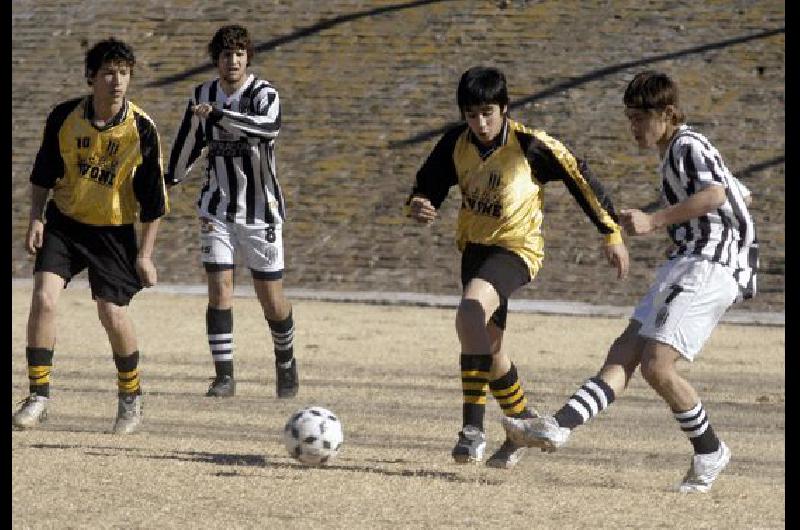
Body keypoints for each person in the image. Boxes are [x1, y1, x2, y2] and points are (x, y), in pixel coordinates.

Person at [502, 71, 758, 493]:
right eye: (630, 117)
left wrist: (655, 219)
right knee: (625, 351)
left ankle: (711, 450)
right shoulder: (680, 149)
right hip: (686, 261)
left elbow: (714, 195)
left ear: (669, 114)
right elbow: (738, 194)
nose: (634, 127)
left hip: (709, 264)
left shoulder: (686, 145)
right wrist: (657, 212)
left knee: (657, 365)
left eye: (641, 117)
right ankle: (559, 427)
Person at [406, 66, 629, 468]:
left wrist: (610, 232)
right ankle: (522, 423)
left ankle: (472, 429)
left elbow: (581, 177)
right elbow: (427, 185)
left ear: (505, 108)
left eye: (488, 113)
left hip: (516, 249)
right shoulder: (455, 144)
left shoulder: (531, 145)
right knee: (489, 350)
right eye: (472, 115)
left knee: (469, 311)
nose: (481, 123)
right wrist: (420, 204)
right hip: (474, 250)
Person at [12, 38, 169, 434]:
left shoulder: (142, 129)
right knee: (44, 298)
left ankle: (130, 399)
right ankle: (38, 396)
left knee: (111, 313)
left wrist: (145, 255)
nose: (118, 81)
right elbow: (42, 175)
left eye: (124, 73)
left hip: (113, 231)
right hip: (65, 222)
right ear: (91, 79)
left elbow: (154, 204)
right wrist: (35, 219)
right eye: (109, 73)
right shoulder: (64, 117)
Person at [165, 25, 298, 399]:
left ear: (247, 57)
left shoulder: (264, 94)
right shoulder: (202, 95)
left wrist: (220, 117)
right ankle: (224, 376)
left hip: (261, 211)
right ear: (217, 60)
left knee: (270, 298)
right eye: (226, 55)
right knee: (219, 288)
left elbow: (267, 129)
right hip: (216, 207)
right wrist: (167, 180)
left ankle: (285, 361)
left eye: (239, 53)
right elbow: (189, 142)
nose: (233, 61)